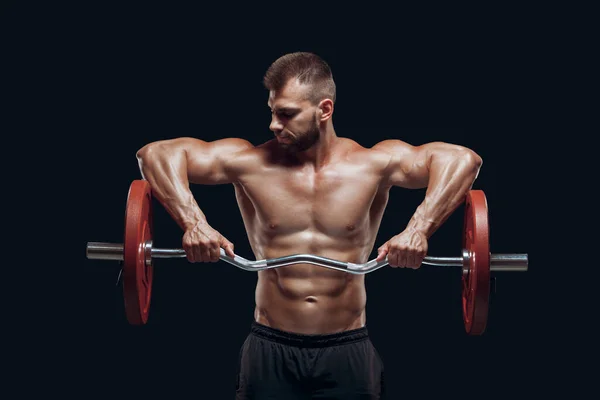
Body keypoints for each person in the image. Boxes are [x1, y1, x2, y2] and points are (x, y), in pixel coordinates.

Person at [135, 52, 483, 399]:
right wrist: (194, 223)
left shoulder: (372, 164)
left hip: (348, 347)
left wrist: (418, 229)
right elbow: (155, 154)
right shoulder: (249, 162)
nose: (274, 124)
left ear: (324, 110)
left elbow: (462, 160)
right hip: (269, 345)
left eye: (286, 114)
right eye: (272, 111)